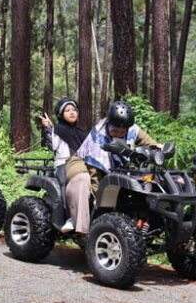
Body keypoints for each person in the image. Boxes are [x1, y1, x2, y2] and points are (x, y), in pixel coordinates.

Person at [63, 101, 160, 235]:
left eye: (122, 132)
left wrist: (159, 150)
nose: (118, 134)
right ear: (109, 124)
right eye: (114, 131)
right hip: (83, 162)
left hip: (115, 166)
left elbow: (151, 144)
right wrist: (101, 209)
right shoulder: (98, 138)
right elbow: (96, 175)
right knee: (82, 181)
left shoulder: (132, 129)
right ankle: (83, 230)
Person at [40, 97, 87, 232]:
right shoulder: (59, 129)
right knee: (65, 186)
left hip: (81, 163)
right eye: (67, 110)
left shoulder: (81, 131)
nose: (72, 112)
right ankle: (70, 217)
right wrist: (49, 128)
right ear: (61, 114)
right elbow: (53, 146)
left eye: (74, 110)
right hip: (63, 163)